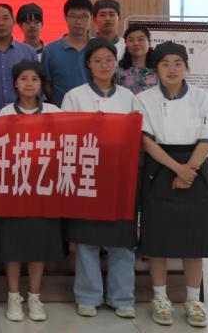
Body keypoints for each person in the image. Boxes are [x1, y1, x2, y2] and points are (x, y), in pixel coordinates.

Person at [136, 41, 208, 328]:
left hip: (195, 166)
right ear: (156, 69)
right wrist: (178, 170)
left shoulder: (200, 97)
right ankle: (160, 297)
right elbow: (147, 141)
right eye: (165, 64)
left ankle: (193, 300)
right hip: (159, 167)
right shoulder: (144, 99)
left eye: (177, 63)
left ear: (186, 66)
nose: (172, 69)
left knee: (194, 239)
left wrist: (189, 170)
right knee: (158, 239)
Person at [61, 38, 137, 320]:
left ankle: (122, 297)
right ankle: (88, 296)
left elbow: (135, 137)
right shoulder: (74, 96)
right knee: (87, 239)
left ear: (116, 63)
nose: (104, 65)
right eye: (97, 61)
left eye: (108, 60)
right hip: (86, 173)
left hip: (119, 175)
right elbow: (67, 135)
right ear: (88, 65)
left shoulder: (129, 97)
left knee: (121, 238)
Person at [0, 61, 63, 322]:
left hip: (43, 187)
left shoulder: (54, 111)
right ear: (15, 83)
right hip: (13, 187)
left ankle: (34, 296)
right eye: (23, 78)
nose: (28, 83)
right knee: (13, 244)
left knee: (38, 243)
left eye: (34, 79)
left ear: (41, 84)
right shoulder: (4, 112)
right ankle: (13, 296)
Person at [41, 0, 93, 106]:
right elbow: (46, 85)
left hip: (93, 109)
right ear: (65, 17)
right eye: (73, 16)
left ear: (91, 18)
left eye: (84, 16)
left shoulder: (99, 48)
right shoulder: (51, 50)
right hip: (62, 111)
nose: (78, 21)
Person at [114, 24, 158, 94]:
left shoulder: (159, 71)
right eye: (131, 40)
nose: (136, 43)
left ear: (149, 42)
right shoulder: (117, 73)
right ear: (126, 44)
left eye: (141, 39)